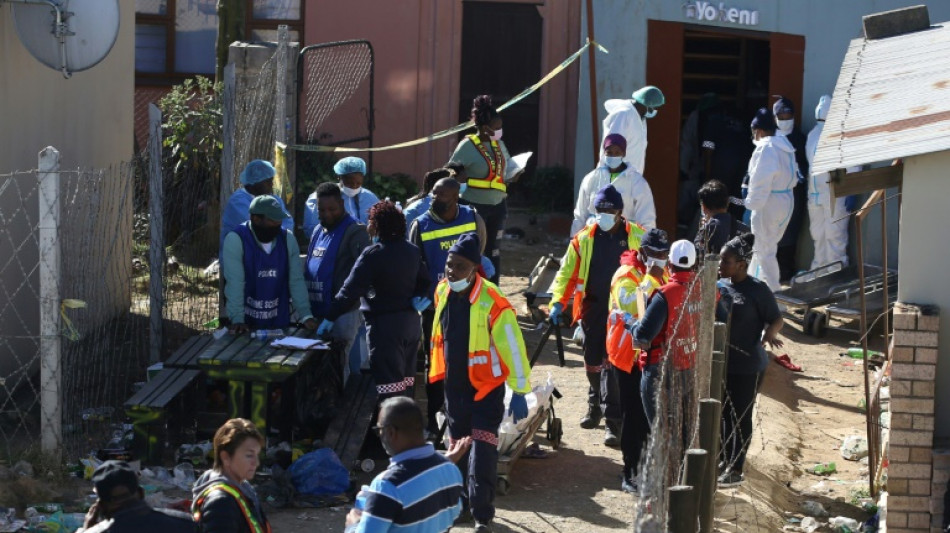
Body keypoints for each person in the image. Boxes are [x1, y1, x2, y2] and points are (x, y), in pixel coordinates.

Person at [428, 233, 532, 533]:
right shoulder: (443, 292)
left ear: (474, 268)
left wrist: (520, 389)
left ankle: (482, 515)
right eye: (449, 265)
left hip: (485, 389)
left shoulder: (494, 302)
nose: (451, 272)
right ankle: (459, 505)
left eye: (459, 267)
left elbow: (513, 348)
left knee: (483, 452)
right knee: (458, 447)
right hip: (454, 387)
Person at [549, 184, 646, 446]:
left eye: (609, 210)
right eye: (599, 209)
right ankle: (596, 403)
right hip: (593, 309)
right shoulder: (584, 238)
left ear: (619, 211)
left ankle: (613, 423)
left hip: (622, 312)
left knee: (613, 365)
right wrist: (558, 301)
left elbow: (652, 267)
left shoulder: (636, 235)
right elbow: (566, 272)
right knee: (593, 361)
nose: (603, 214)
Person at [318, 200, 430, 401]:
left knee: (389, 388)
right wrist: (420, 298)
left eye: (370, 221)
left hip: (384, 328)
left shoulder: (373, 254)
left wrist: (330, 317)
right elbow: (426, 282)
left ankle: (390, 430)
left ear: (378, 225)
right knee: (406, 384)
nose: (368, 226)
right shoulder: (412, 251)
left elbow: (349, 291)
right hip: (411, 326)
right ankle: (407, 427)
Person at [408, 176, 487, 433]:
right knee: (437, 362)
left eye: (440, 195)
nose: (434, 199)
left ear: (455, 198)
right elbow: (415, 264)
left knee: (470, 358)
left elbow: (480, 253)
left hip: (470, 300)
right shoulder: (420, 225)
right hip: (436, 306)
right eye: (433, 194)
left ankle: (466, 417)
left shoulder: (473, 218)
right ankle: (434, 419)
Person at [716, 233, 784, 486]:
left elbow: (777, 318)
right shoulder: (719, 286)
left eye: (726, 262)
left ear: (742, 265)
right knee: (723, 414)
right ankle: (723, 458)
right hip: (723, 363)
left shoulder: (758, 290)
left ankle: (736, 468)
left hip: (748, 365)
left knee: (740, 416)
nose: (721, 266)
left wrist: (770, 333)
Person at [606, 229, 670, 494]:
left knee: (647, 417)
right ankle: (629, 472)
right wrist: (651, 279)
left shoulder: (659, 273)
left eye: (663, 254)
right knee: (633, 417)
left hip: (650, 356)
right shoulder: (626, 275)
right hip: (627, 357)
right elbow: (635, 306)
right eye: (654, 254)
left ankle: (644, 467)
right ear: (643, 252)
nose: (660, 259)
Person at [344, 397, 468, 533]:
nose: (379, 435)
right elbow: (452, 515)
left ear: (390, 432)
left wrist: (353, 525)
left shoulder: (386, 486)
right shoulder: (451, 470)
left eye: (378, 429)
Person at [629, 240, 699, 426]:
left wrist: (632, 326)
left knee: (661, 431)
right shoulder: (706, 290)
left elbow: (643, 335)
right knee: (681, 427)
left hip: (660, 370)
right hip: (690, 366)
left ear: (669, 264)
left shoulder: (666, 294)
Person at [221, 196, 316, 334]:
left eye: (280, 219)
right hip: (246, 323)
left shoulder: (287, 239)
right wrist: (237, 319)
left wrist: (306, 315)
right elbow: (235, 283)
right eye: (272, 220)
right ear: (256, 219)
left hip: (279, 323)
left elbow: (296, 280)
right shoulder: (236, 239)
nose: (278, 223)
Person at [304, 182, 371, 377]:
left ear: (342, 204)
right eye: (321, 210)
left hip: (343, 313)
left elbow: (363, 272)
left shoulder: (356, 231)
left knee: (339, 365)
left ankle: (341, 404)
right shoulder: (318, 230)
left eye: (332, 209)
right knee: (317, 366)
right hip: (316, 310)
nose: (327, 214)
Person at [449, 95, 516, 285]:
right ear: (483, 127)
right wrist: (458, 177)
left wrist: (514, 173)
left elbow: (507, 167)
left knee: (493, 251)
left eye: (500, 127)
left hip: (498, 205)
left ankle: (493, 291)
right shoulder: (467, 146)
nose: (498, 131)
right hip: (474, 206)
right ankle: (469, 288)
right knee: (471, 250)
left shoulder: (498, 144)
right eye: (495, 128)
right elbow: (450, 175)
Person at [744, 108, 798, 292]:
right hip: (786, 201)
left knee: (764, 251)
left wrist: (750, 203)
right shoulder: (784, 144)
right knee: (765, 248)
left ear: (759, 130)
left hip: (769, 204)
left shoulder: (766, 148)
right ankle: (753, 286)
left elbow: (760, 180)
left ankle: (774, 295)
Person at [806, 95, 858, 269]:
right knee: (818, 235)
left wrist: (852, 190)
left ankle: (836, 271)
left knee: (835, 236)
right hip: (815, 195)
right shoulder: (813, 135)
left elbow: (853, 164)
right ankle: (819, 271)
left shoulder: (842, 135)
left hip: (834, 194)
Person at [192, 418, 270, 533]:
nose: (256, 463)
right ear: (226, 457)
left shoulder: (243, 490)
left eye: (257, 455)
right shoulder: (221, 503)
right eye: (249, 455)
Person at [572, 133, 657, 234]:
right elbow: (580, 213)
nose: (613, 156)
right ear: (604, 153)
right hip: (593, 235)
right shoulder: (592, 178)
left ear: (624, 153)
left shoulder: (637, 182)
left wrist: (646, 244)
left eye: (617, 152)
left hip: (623, 236)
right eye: (609, 152)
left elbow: (647, 218)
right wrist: (574, 238)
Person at [78, 461, 195, 533]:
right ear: (141, 493)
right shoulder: (185, 523)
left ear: (101, 505)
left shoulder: (101, 531)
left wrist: (86, 529)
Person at [772, 96, 809, 283]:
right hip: (774, 195)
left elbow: (805, 164)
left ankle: (786, 271)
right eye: (781, 116)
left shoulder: (800, 139)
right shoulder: (770, 139)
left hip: (794, 194)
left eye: (788, 116)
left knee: (791, 231)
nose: (785, 120)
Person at [220, 159, 292, 252]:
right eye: (267, 181)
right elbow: (256, 229)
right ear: (254, 182)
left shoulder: (274, 199)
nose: (271, 184)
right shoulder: (238, 202)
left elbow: (288, 222)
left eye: (271, 180)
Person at [304, 157, 379, 235]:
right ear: (339, 177)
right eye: (349, 183)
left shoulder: (370, 198)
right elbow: (311, 230)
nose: (354, 186)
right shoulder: (322, 197)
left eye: (358, 183)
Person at [602, 85, 665, 175]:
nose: (654, 110)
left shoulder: (640, 118)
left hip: (630, 178)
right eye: (653, 107)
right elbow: (612, 148)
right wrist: (614, 178)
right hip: (616, 177)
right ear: (646, 105)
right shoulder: (623, 115)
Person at [694, 179, 748, 257]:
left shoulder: (707, 229)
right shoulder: (745, 230)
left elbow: (698, 255)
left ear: (703, 207)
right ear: (727, 203)